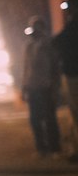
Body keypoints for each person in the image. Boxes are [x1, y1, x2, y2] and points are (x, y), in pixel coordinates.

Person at [21, 17, 61, 156]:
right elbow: (26, 68)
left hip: (45, 86)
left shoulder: (49, 44)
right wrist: (24, 87)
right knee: (35, 119)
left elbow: (55, 66)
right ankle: (41, 148)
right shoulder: (28, 46)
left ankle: (54, 147)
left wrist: (55, 85)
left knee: (49, 118)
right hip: (32, 87)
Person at [52, 0, 78, 152]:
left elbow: (59, 41)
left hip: (73, 73)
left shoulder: (74, 24)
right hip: (72, 72)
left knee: (75, 111)